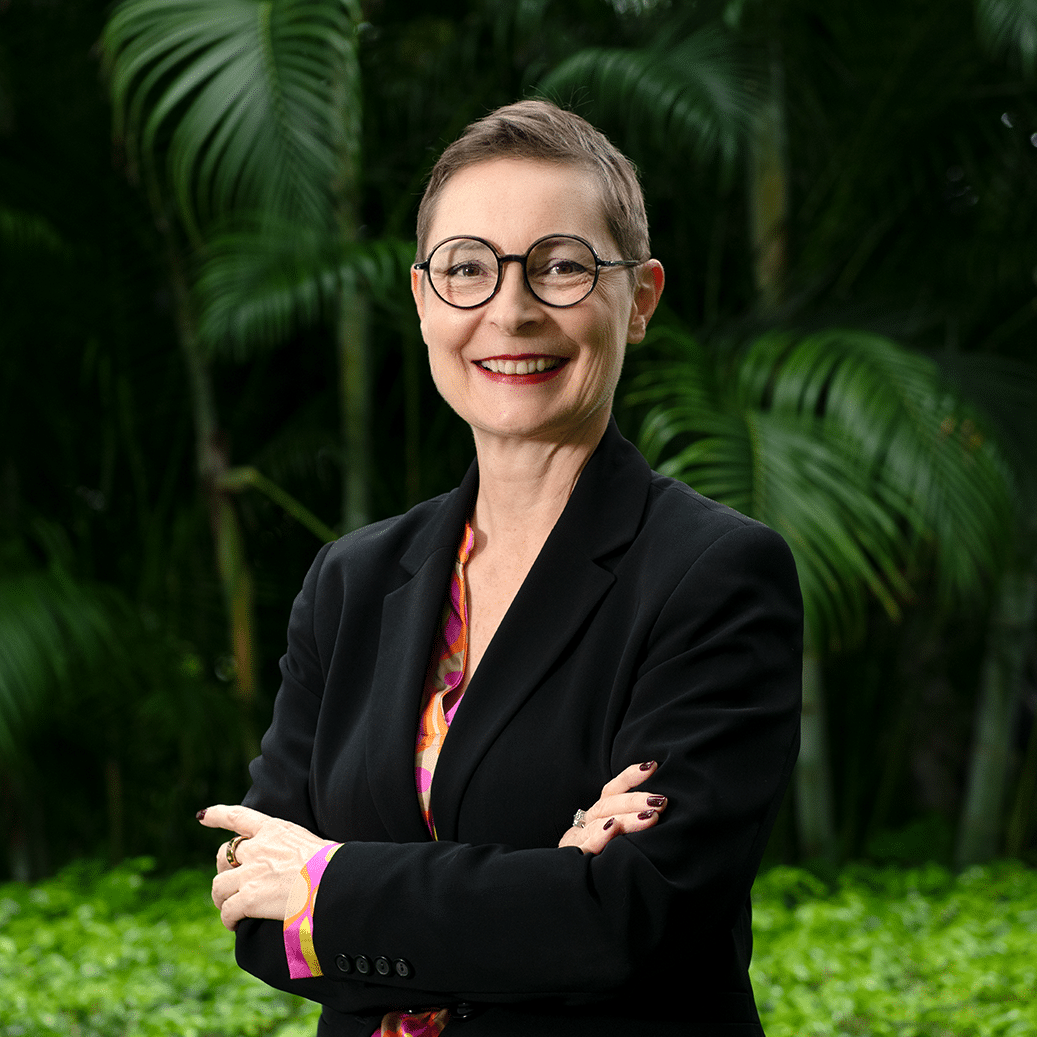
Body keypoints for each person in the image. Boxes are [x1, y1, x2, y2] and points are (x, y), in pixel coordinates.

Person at [198, 99, 802, 1037]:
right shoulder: (352, 580)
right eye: (467, 269)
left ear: (637, 298)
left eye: (561, 267)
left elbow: (632, 917)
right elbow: (256, 910)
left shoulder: (714, 574)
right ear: (422, 298)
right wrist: (545, 883)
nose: (510, 311)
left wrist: (330, 880)